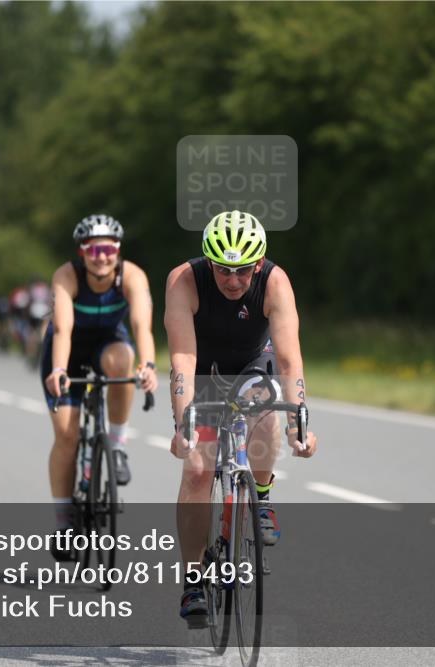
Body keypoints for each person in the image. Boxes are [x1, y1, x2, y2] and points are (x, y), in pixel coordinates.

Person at [164, 210, 319, 625]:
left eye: (243, 272)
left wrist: (298, 423)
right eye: (223, 271)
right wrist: (184, 425)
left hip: (254, 364)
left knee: (266, 403)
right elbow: (182, 356)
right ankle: (194, 579)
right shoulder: (184, 280)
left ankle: (262, 496)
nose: (233, 281)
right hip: (203, 370)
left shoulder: (275, 281)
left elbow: (289, 359)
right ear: (209, 263)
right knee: (197, 469)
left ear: (258, 264)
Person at [42, 214, 158, 560]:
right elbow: (62, 328)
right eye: (93, 249)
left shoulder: (132, 276)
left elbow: (142, 326)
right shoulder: (67, 276)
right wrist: (59, 370)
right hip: (68, 350)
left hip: (110, 343)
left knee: (124, 363)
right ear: (82, 252)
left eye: (108, 248)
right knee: (67, 435)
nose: (101, 256)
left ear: (117, 250)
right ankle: (64, 523)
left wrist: (148, 366)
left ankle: (118, 444)